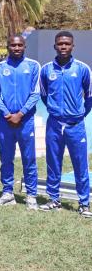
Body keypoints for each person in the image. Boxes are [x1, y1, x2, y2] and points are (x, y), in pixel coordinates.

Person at [39, 32, 92, 217]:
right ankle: (53, 199)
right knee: (53, 162)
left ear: (72, 47)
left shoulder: (83, 69)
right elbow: (44, 96)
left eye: (67, 44)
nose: (63, 47)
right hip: (54, 124)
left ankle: (84, 203)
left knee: (80, 164)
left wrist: (77, 115)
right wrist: (56, 112)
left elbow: (89, 96)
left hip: (75, 125)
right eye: (60, 44)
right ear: (54, 46)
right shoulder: (46, 70)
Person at [0, 35, 41, 209]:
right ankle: (7, 192)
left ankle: (31, 195)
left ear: (25, 46)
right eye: (13, 45)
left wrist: (20, 114)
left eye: (20, 45)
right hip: (5, 122)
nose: (16, 48)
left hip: (25, 121)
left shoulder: (34, 66)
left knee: (29, 158)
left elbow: (36, 93)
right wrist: (7, 113)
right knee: (6, 158)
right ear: (7, 47)